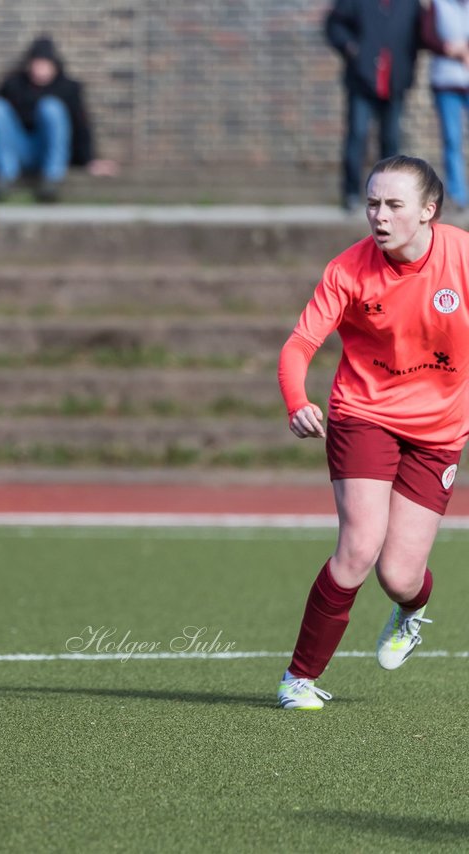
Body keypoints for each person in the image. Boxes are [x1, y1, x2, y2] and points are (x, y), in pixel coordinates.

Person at [275, 154, 469, 710]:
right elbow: (298, 346)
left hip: (439, 432)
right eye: (372, 203)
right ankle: (298, 679)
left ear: (428, 211)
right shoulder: (348, 269)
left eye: (393, 205)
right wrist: (297, 401)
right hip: (365, 414)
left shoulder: (461, 256)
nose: (378, 216)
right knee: (359, 546)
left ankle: (410, 613)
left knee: (400, 575)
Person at [0, 35, 117, 203]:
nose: (41, 69)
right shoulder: (13, 84)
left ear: (54, 65)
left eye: (45, 64)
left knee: (51, 107)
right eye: (37, 63)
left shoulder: (68, 88)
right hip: (19, 151)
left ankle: (51, 179)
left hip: (48, 151)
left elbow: (81, 125)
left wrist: (88, 159)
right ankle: (6, 176)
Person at [325, 0, 423, 213]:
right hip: (362, 80)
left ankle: (390, 195)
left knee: (391, 140)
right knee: (358, 135)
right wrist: (351, 48)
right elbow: (334, 25)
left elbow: (421, 33)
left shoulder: (409, 4)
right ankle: (351, 193)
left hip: (395, 81)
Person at [421, 0, 469, 215]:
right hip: (446, 83)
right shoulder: (438, 5)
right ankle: (458, 196)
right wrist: (449, 48)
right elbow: (427, 36)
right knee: (452, 139)